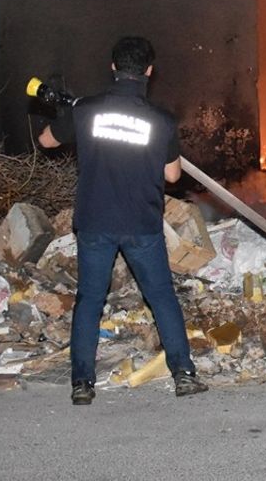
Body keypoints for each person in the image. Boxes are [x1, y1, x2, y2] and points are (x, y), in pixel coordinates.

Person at [38, 36, 207, 405]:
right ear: (149, 71)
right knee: (161, 296)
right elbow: (174, 176)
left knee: (90, 300)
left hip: (95, 221)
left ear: (113, 67)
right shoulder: (161, 119)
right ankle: (184, 374)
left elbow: (47, 141)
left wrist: (73, 118)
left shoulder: (87, 110)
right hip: (141, 223)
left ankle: (82, 384)